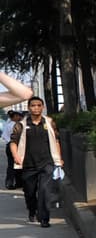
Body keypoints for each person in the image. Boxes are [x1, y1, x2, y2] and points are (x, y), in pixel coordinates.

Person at [9, 95, 62, 228]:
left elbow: (56, 141)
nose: (36, 108)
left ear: (42, 107)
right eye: (33, 105)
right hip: (28, 164)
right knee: (30, 192)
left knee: (45, 190)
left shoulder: (49, 123)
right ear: (29, 108)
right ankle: (32, 210)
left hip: (47, 163)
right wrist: (16, 156)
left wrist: (59, 158)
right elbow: (13, 142)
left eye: (39, 105)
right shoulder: (21, 125)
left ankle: (44, 218)